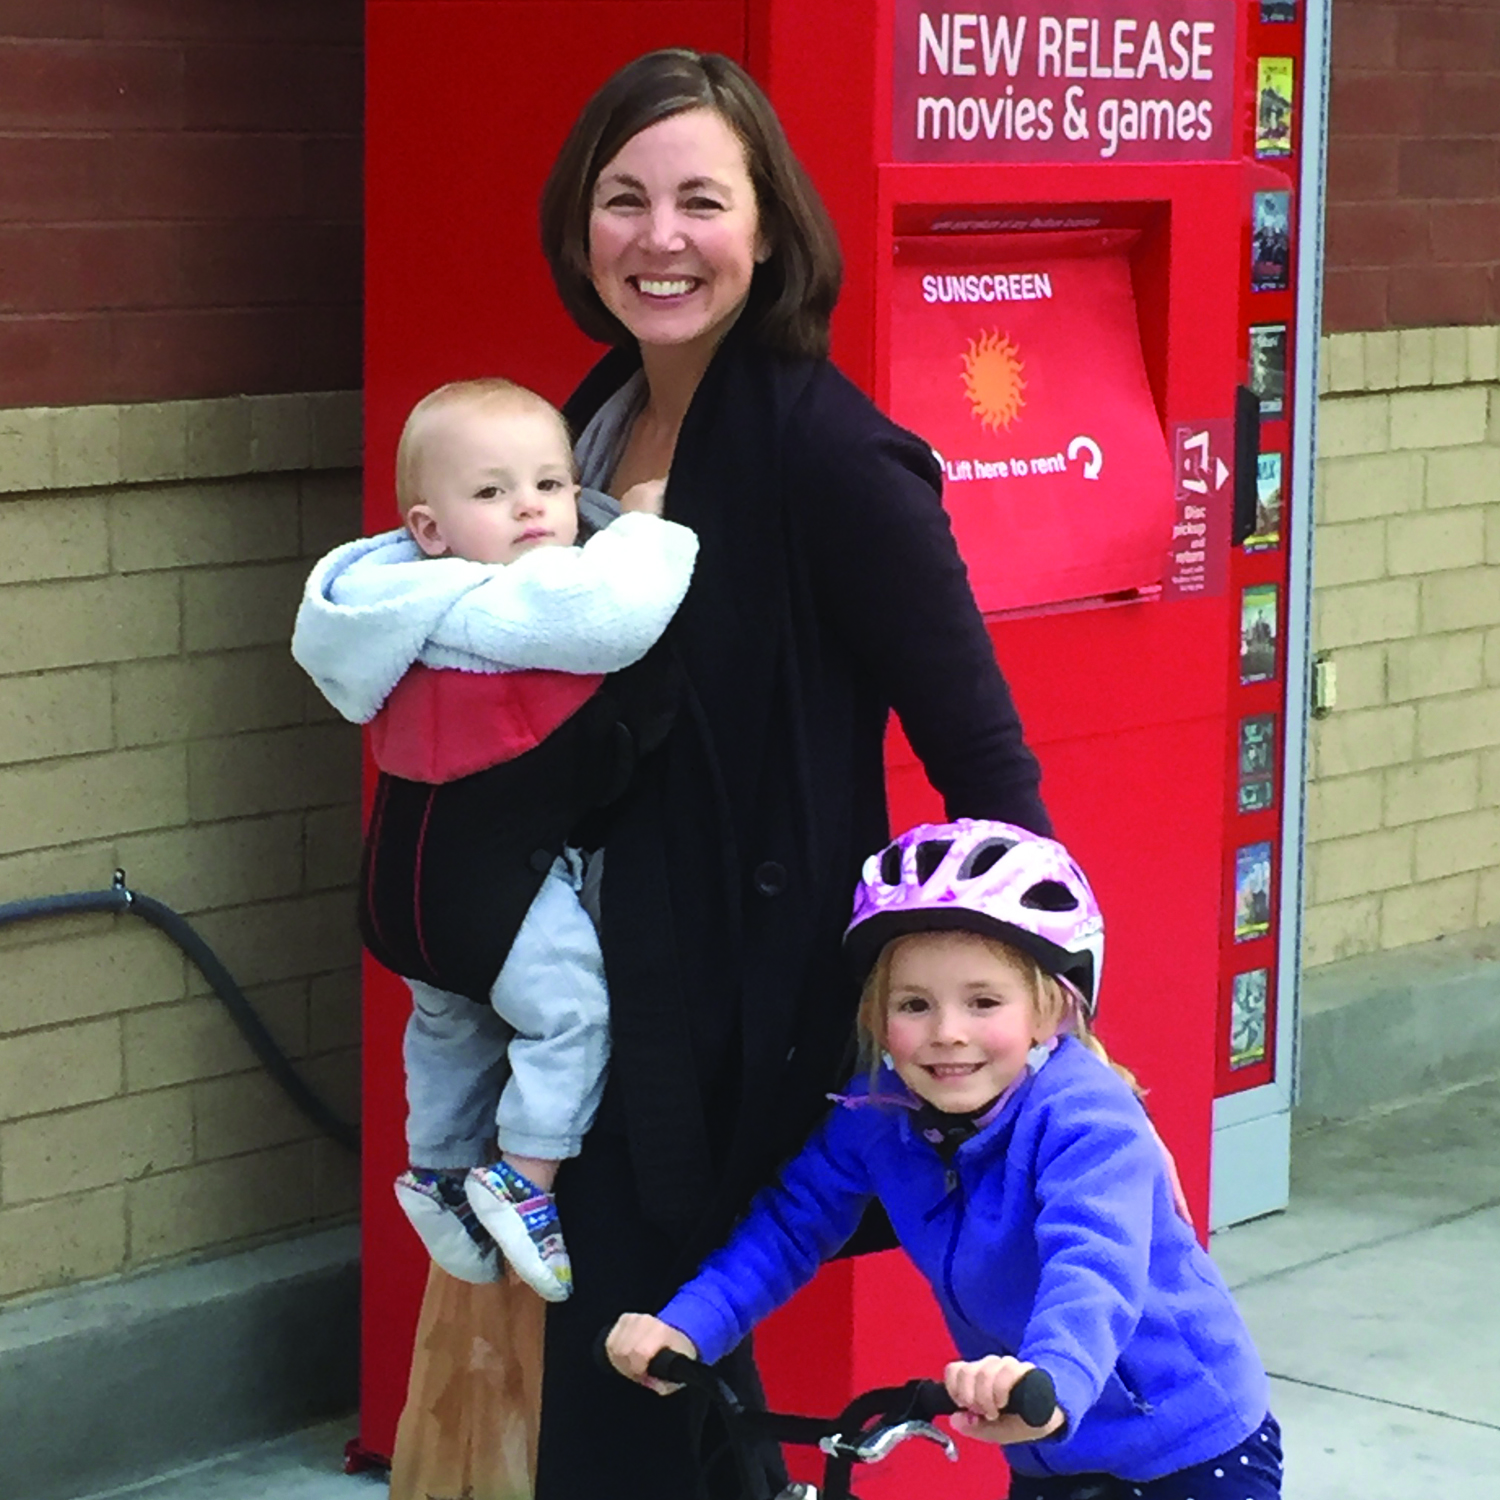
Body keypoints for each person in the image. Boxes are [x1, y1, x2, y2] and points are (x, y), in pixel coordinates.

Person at [529, 47, 1052, 1499]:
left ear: (768, 232)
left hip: (730, 1019)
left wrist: (1030, 1024)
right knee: (666, 1381)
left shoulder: (832, 456)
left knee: (621, 1394)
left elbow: (987, 760)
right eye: (623, 200)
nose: (661, 237)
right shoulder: (585, 424)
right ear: (583, 228)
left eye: (702, 199)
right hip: (594, 1000)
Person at [608, 820, 1283, 1500]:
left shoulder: (1086, 1119)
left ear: (1050, 1010)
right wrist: (688, 1325)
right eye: (914, 1005)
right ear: (878, 1020)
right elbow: (791, 1223)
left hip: (1185, 1443)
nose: (947, 1033)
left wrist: (1050, 1377)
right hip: (1046, 1447)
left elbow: (1094, 1266)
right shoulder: (879, 1116)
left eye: (983, 1001)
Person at [291, 377, 698, 1302]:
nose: (533, 509)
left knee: (450, 1024)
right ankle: (525, 1177)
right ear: (430, 530)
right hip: (492, 893)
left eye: (553, 485)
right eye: (493, 493)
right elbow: (617, 614)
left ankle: (437, 1174)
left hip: (397, 890)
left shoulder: (388, 600)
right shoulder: (503, 607)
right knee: (573, 1013)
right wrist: (639, 521)